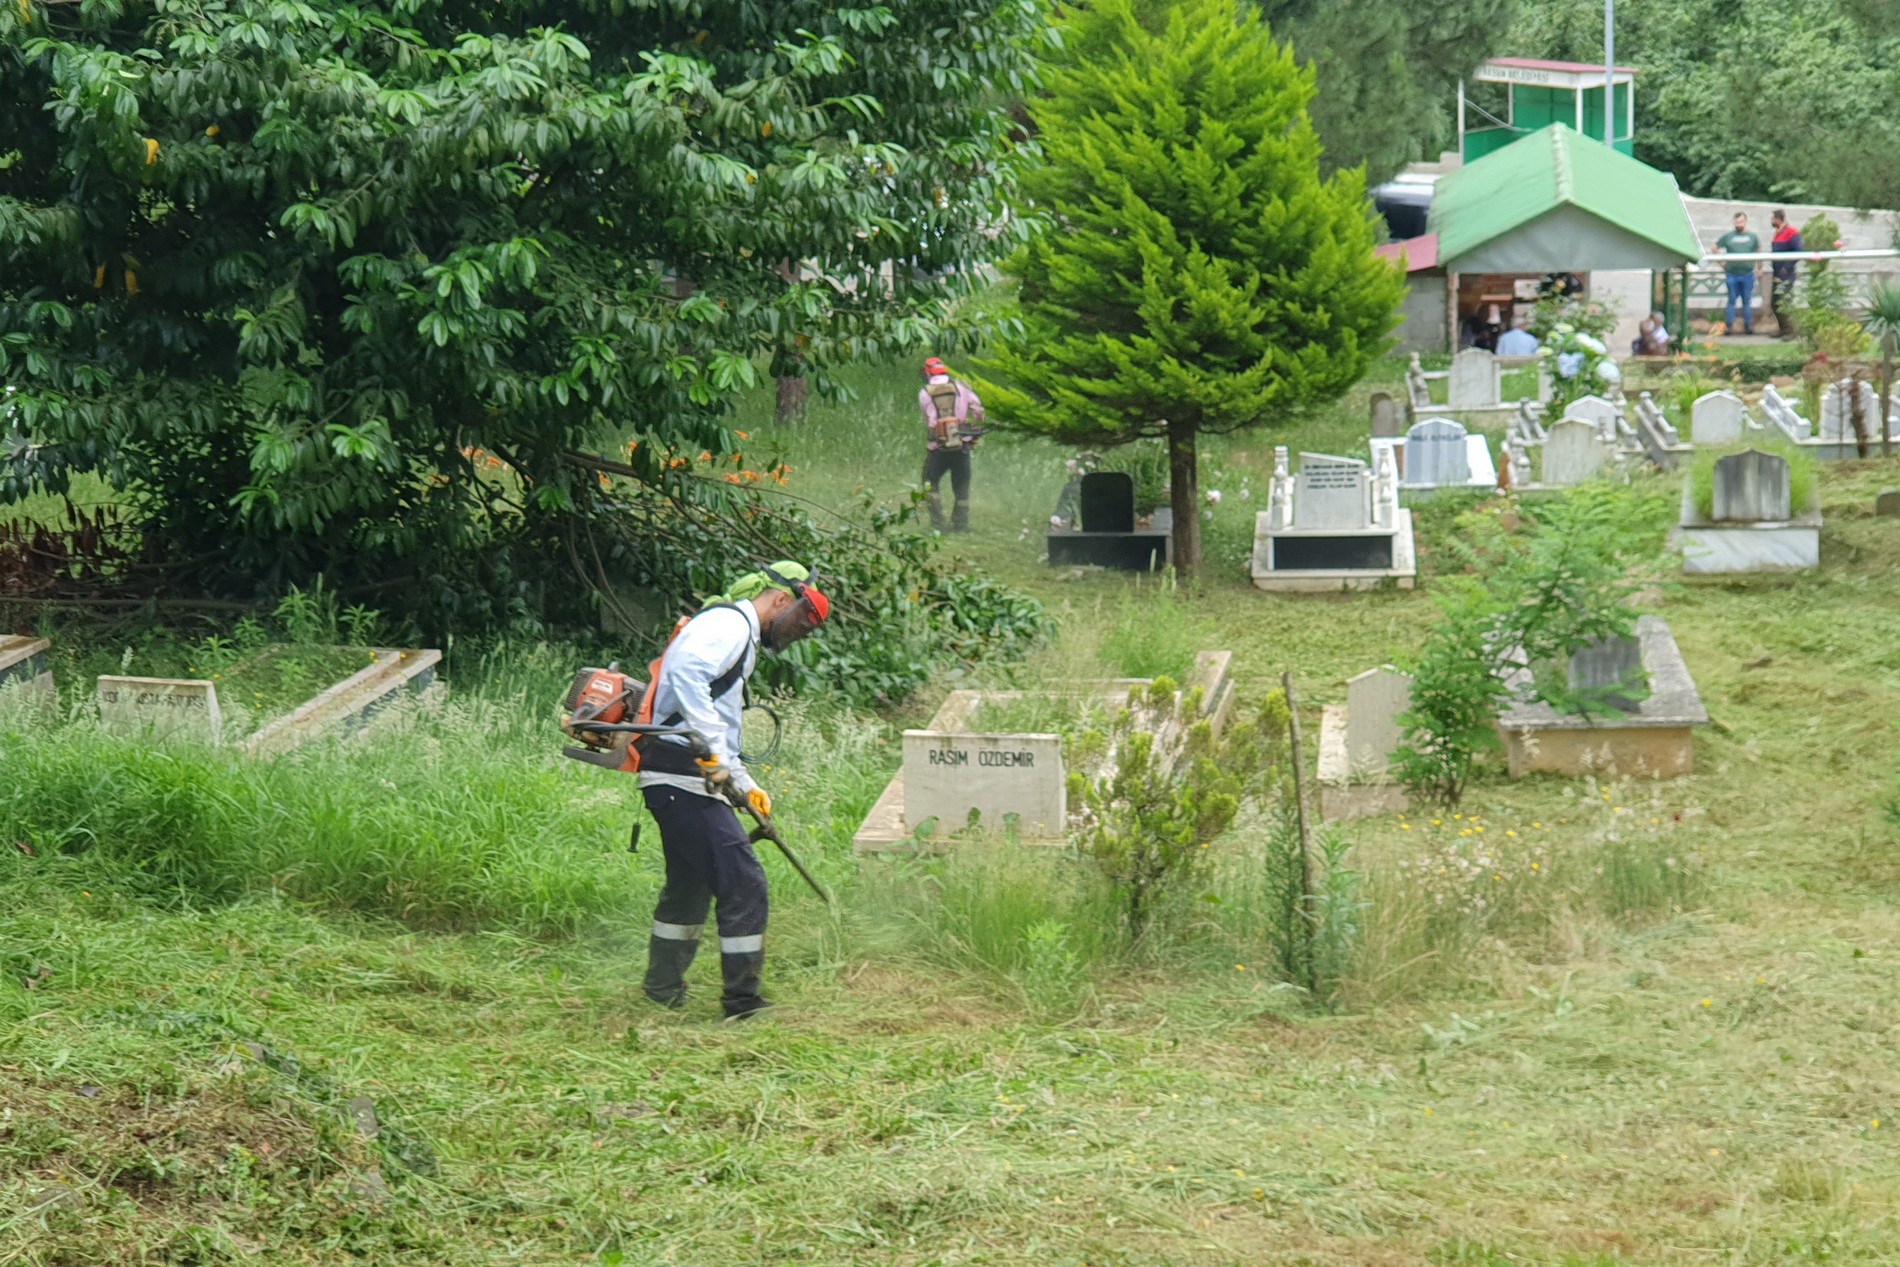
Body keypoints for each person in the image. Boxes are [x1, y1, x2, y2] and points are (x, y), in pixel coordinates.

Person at [637, 562, 830, 1019]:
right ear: (781, 599)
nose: (798, 632)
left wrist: (744, 782)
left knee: (689, 886)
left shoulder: (736, 632)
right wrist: (716, 759)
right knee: (744, 882)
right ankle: (743, 1004)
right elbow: (686, 672)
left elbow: (718, 722)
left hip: (679, 773)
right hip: (681, 774)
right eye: (802, 619)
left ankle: (661, 989)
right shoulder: (730, 624)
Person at [918, 356, 984, 532]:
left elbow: (927, 419)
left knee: (929, 483)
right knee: (961, 487)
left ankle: (939, 525)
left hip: (937, 448)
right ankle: (960, 525)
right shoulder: (962, 388)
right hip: (961, 446)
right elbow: (978, 410)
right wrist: (974, 430)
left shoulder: (924, 393)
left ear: (927, 373)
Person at [1715, 211, 1761, 335]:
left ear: (1745, 222)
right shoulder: (1728, 236)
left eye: (1740, 221)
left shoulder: (1752, 237)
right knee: (1731, 300)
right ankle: (1728, 325)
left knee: (1747, 300)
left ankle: (1748, 325)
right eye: (1736, 222)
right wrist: (1721, 264)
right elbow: (1715, 248)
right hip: (1732, 274)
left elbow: (1758, 252)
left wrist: (1759, 269)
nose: (1738, 224)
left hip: (1747, 274)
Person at [1769, 209, 1804, 339]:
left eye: (1773, 219)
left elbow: (1799, 251)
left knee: (1784, 301)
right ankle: (1783, 328)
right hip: (1776, 273)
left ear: (1779, 219)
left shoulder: (1791, 232)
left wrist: (1788, 267)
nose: (1771, 221)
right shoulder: (1777, 233)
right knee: (1775, 302)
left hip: (1786, 274)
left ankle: (1791, 331)